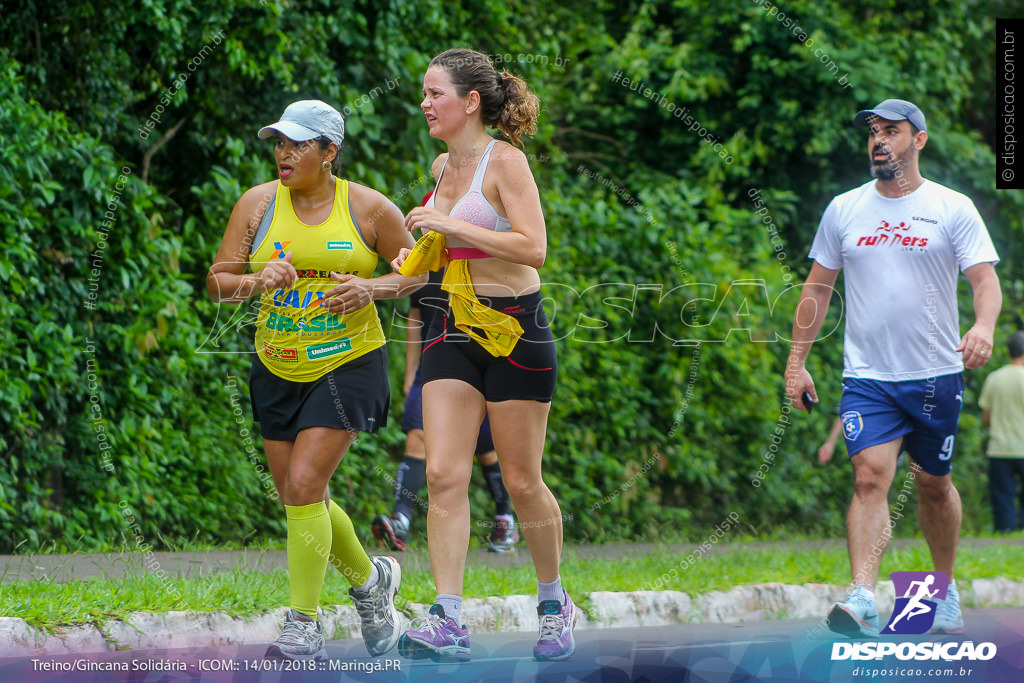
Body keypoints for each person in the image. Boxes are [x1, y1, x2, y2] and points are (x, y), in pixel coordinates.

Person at [206, 100, 423, 660]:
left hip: (348, 362)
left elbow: (418, 273)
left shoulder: (371, 209)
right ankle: (372, 586)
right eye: (279, 142)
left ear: (331, 152)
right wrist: (256, 281)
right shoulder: (256, 204)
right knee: (302, 498)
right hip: (277, 361)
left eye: (299, 144)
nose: (284, 152)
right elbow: (217, 282)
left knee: (303, 487)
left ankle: (302, 624)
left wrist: (371, 288)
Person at [784, 99, 1001, 638]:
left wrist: (983, 328)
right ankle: (863, 596)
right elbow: (816, 289)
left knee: (932, 483)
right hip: (868, 377)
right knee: (867, 477)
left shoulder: (951, 207)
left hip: (935, 375)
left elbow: (984, 282)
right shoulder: (844, 210)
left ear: (919, 140)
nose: (879, 140)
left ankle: (940, 591)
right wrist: (797, 364)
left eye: (892, 131)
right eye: (873, 132)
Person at [392, 48, 576, 662]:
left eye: (435, 93)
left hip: (516, 328)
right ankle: (448, 619)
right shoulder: (442, 165)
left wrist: (451, 229)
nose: (424, 103)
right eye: (423, 92)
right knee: (444, 474)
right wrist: (387, 277)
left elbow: (533, 247)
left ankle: (554, 603)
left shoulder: (509, 163)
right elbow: (436, 254)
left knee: (522, 482)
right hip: (453, 322)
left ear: (471, 102)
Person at [371, 268, 520, 553]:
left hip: (479, 367)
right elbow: (415, 321)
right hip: (432, 366)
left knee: (486, 446)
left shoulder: (478, 259)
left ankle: (504, 518)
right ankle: (401, 518)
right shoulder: (421, 265)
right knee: (417, 437)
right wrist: (409, 375)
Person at [978, 331, 1024, 533]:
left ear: (1008, 351)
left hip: (999, 448)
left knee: (1002, 496)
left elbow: (986, 417)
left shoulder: (994, 378)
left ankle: (1004, 534)